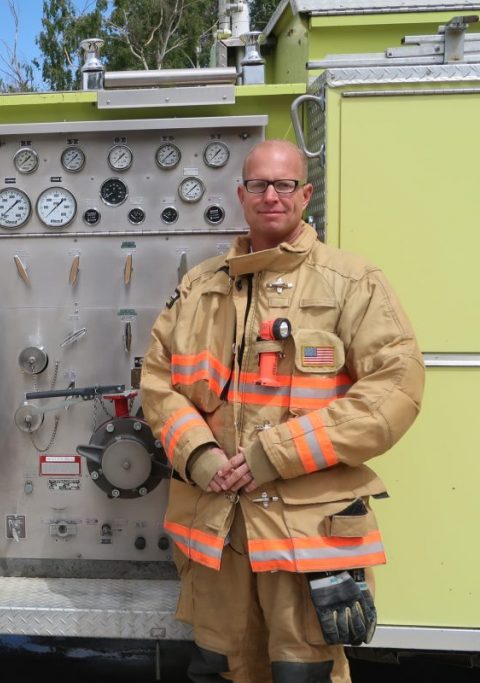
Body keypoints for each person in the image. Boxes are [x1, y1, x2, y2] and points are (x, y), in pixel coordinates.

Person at [140, 140, 423, 683]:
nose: (272, 196)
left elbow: (396, 390)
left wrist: (277, 452)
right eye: (260, 185)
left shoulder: (352, 282)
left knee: (302, 674)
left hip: (308, 533)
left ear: (305, 194)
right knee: (219, 668)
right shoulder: (200, 288)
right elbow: (158, 383)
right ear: (242, 195)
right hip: (220, 530)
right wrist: (199, 456)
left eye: (285, 184)